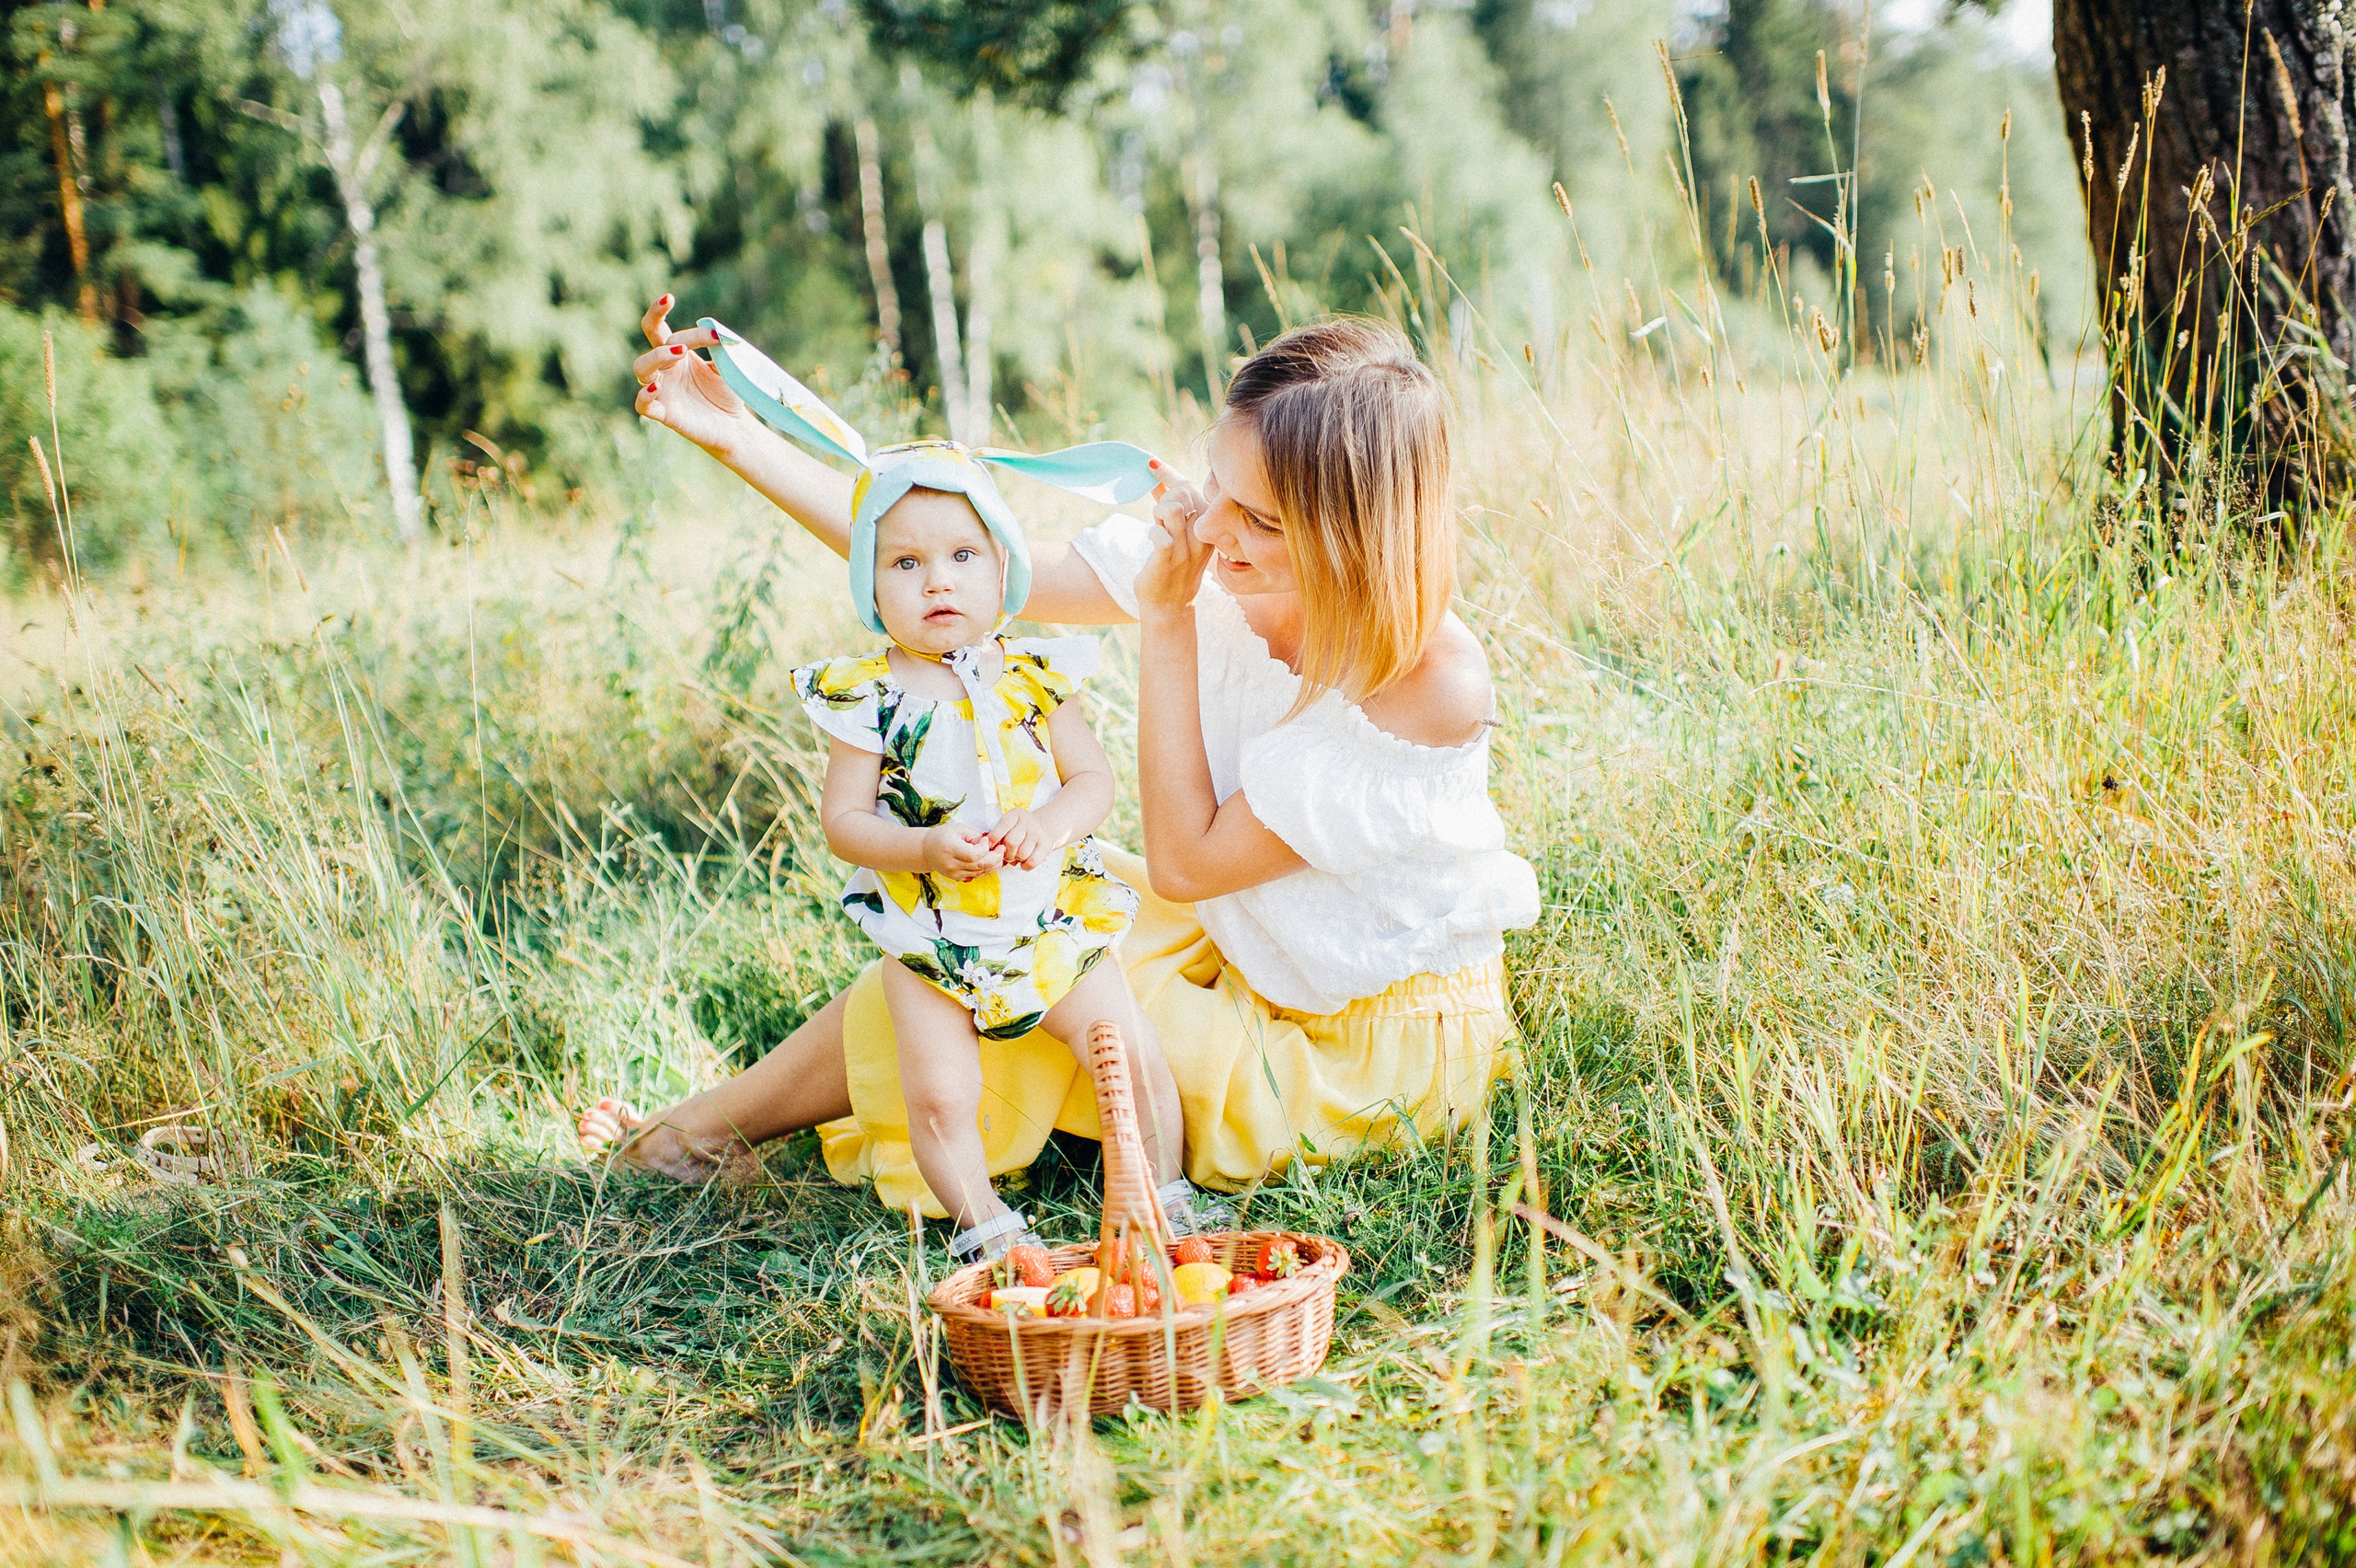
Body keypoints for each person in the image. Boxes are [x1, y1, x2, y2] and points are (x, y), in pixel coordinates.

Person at [582, 297, 1538, 1219]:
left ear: (1356, 533)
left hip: (1356, 1048)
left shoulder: (1428, 681)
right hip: (1245, 942)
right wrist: (737, 439)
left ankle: (693, 1137)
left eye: (1260, 519)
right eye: (1219, 491)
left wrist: (1165, 621)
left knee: (1001, 954)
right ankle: (697, 1133)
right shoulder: (1233, 551)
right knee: (980, 913)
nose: (1209, 532)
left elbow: (1187, 862)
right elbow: (963, 568)